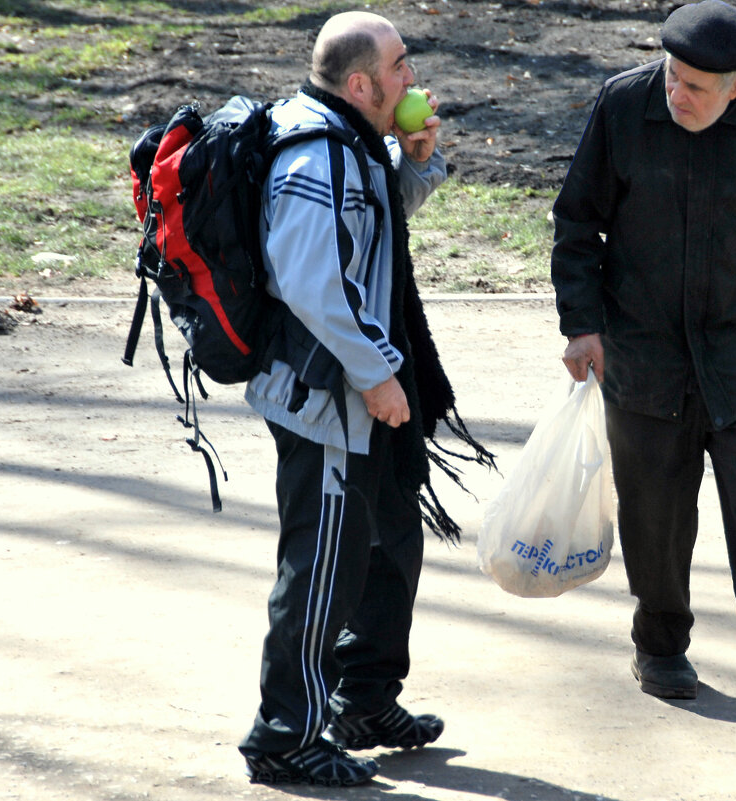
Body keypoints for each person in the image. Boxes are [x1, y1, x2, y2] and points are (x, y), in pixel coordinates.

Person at [550, 0, 736, 732]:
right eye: (672, 77)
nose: (677, 94)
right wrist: (581, 324)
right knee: (656, 513)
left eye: (697, 87)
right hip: (643, 351)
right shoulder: (622, 105)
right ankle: (661, 644)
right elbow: (577, 220)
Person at [238, 11, 493, 786]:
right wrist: (379, 373)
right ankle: (284, 735)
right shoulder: (315, 153)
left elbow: (369, 232)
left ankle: (364, 698)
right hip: (328, 395)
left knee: (389, 547)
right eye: (400, 65)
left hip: (365, 390)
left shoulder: (352, 141)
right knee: (321, 568)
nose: (411, 78)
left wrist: (413, 163)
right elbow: (313, 282)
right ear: (361, 83)